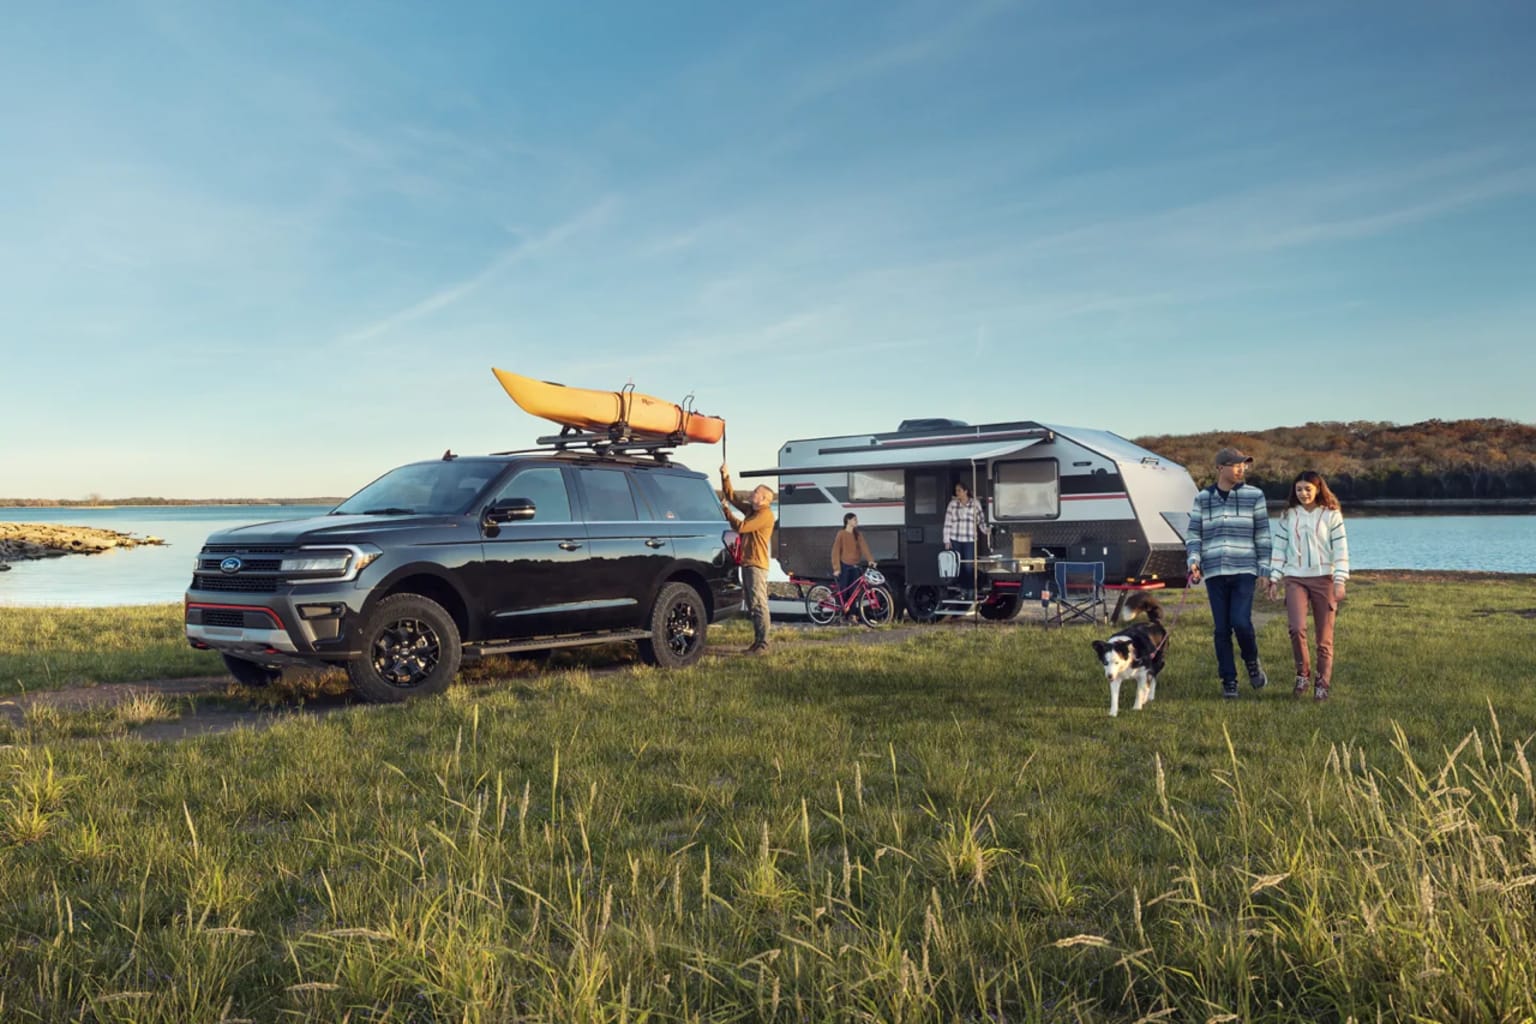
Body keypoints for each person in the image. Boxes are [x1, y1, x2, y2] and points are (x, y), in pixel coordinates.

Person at [1186, 447, 1272, 699]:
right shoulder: (1203, 498)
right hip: (1214, 572)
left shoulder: (1255, 496)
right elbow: (1194, 535)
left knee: (1241, 622)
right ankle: (1229, 681)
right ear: (1220, 468)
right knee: (1221, 629)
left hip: (1244, 568)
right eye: (1236, 465)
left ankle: (1252, 662)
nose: (1241, 469)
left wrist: (1264, 569)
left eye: (1244, 465)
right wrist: (1193, 560)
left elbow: (1263, 535)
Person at [1265, 470, 1349, 702]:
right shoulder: (1288, 516)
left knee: (1324, 638)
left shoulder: (1331, 515)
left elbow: (1341, 549)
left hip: (1325, 579)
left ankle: (1322, 684)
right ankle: (1302, 674)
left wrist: (1340, 580)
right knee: (1296, 628)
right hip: (1295, 578)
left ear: (1318, 489)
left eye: (1308, 489)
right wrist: (1274, 577)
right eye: (1299, 489)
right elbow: (1279, 548)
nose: (1303, 493)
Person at [721, 464, 776, 654]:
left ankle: (764, 644)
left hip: (756, 564)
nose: (752, 493)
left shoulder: (765, 515)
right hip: (748, 563)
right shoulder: (753, 510)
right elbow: (732, 497)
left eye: (756, 492)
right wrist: (725, 477)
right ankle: (758, 642)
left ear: (764, 499)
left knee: (759, 603)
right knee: (753, 604)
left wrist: (727, 513)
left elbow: (742, 527)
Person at [942, 481, 986, 597]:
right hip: (955, 538)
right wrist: (947, 540)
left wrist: (986, 531)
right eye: (956, 491)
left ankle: (971, 588)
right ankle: (963, 589)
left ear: (966, 491)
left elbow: (981, 520)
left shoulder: (975, 503)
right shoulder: (952, 504)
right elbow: (947, 523)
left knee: (969, 565)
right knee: (959, 565)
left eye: (959, 490)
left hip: (969, 538)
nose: (957, 493)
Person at [830, 512, 875, 605]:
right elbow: (835, 551)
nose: (857, 521)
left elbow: (864, 547)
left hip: (855, 566)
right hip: (844, 565)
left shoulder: (857, 534)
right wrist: (837, 568)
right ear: (848, 521)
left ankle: (852, 614)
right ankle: (841, 612)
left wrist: (870, 560)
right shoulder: (841, 534)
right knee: (844, 589)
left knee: (854, 591)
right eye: (855, 519)